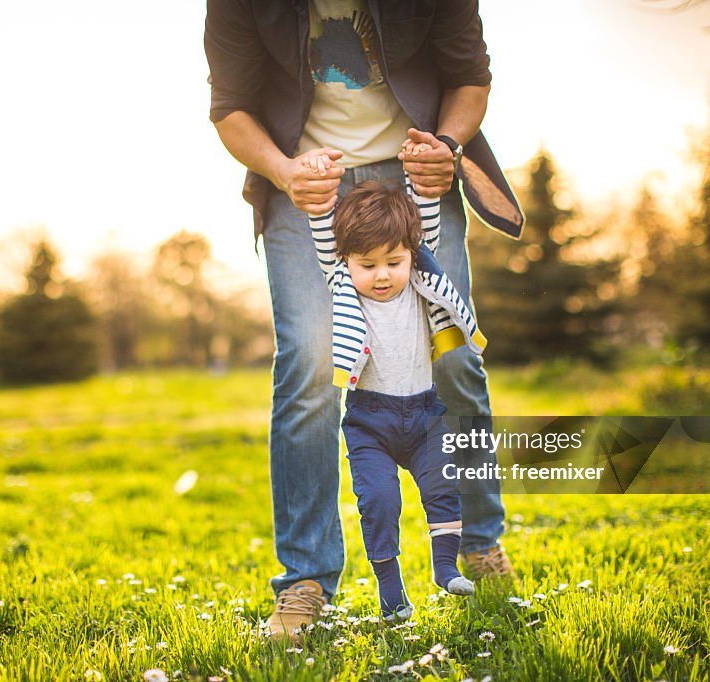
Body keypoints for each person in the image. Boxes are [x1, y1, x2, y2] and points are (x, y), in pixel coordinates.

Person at [204, 0, 525, 641]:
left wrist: (449, 147)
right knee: (310, 364)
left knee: (454, 353)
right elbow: (230, 107)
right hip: (305, 181)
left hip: (417, 176)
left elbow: (469, 75)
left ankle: (482, 547)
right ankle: (304, 580)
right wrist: (283, 171)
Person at [308, 161, 481, 622]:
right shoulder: (343, 283)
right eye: (368, 265)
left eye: (393, 262)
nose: (382, 275)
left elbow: (424, 217)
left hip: (425, 414)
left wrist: (419, 164)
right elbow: (324, 230)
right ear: (346, 261)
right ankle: (391, 592)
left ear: (411, 254)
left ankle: (445, 569)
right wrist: (319, 191)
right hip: (369, 420)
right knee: (379, 502)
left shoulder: (420, 283)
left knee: (443, 486)